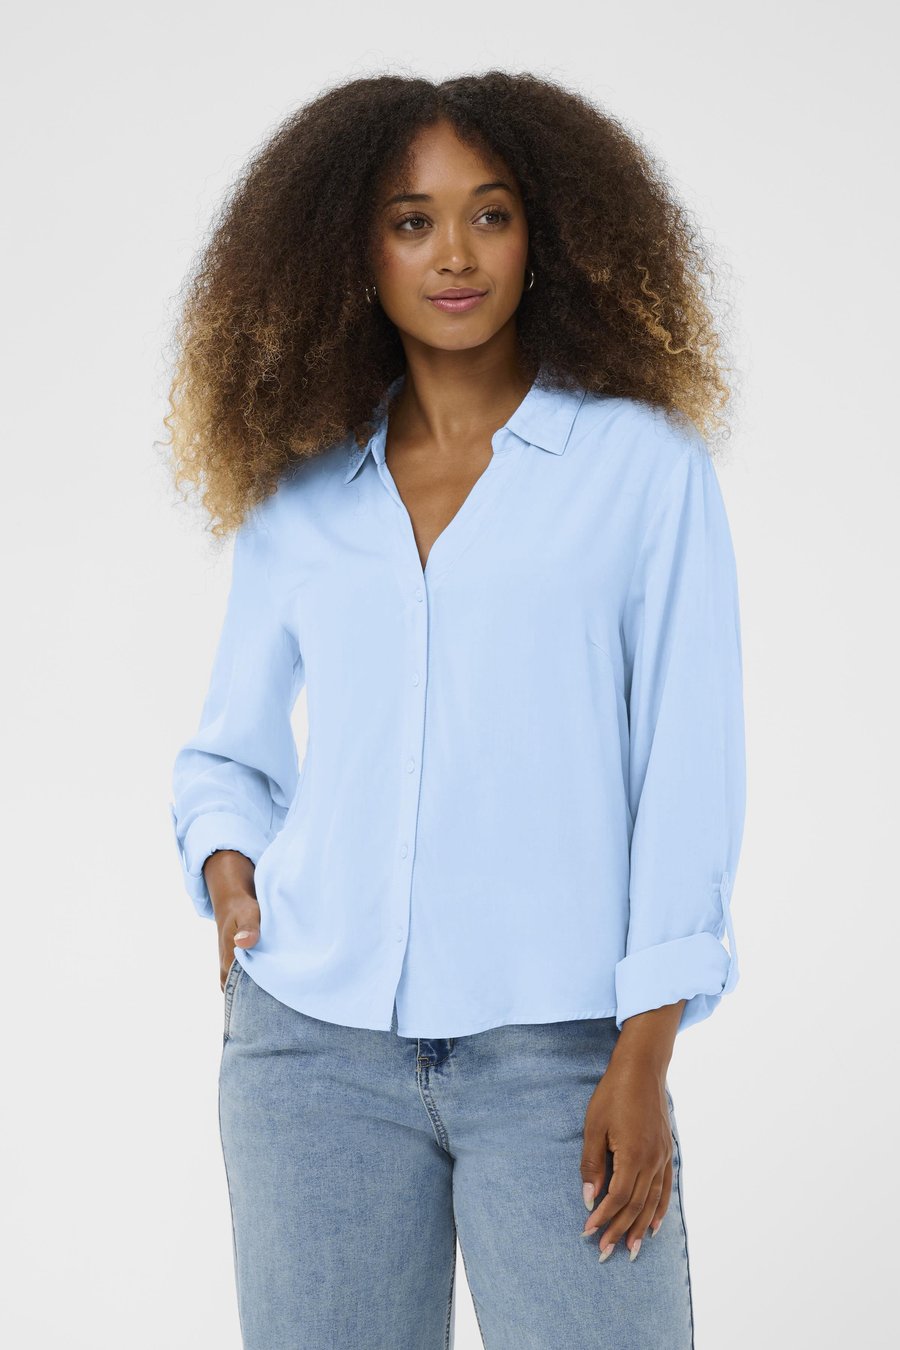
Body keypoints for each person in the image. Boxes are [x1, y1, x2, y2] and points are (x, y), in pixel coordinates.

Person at [165, 70, 746, 1350]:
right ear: (353, 248)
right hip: (311, 1056)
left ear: (546, 234)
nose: (455, 255)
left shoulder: (642, 472)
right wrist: (226, 861)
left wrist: (645, 1052)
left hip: (563, 1059)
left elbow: (687, 775)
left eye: (490, 214)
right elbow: (228, 750)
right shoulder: (301, 491)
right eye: (411, 220)